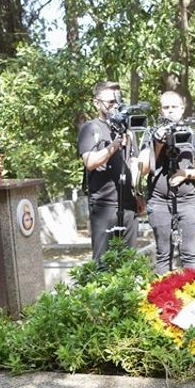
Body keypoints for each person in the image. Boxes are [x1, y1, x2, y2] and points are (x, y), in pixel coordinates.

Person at [138, 90, 195, 273]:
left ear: (182, 109)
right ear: (160, 110)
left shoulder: (192, 134)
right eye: (166, 107)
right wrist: (158, 144)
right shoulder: (150, 134)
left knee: (189, 252)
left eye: (174, 107)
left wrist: (186, 173)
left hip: (187, 202)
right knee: (163, 253)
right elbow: (143, 169)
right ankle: (164, 299)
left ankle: (192, 294)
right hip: (159, 201)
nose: (170, 111)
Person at [78, 81, 140, 258]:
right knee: (103, 262)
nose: (116, 106)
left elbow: (133, 162)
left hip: (128, 204)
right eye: (111, 102)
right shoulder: (90, 128)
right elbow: (90, 162)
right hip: (104, 205)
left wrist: (139, 192)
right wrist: (114, 146)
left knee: (129, 263)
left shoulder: (128, 129)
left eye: (118, 102)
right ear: (96, 102)